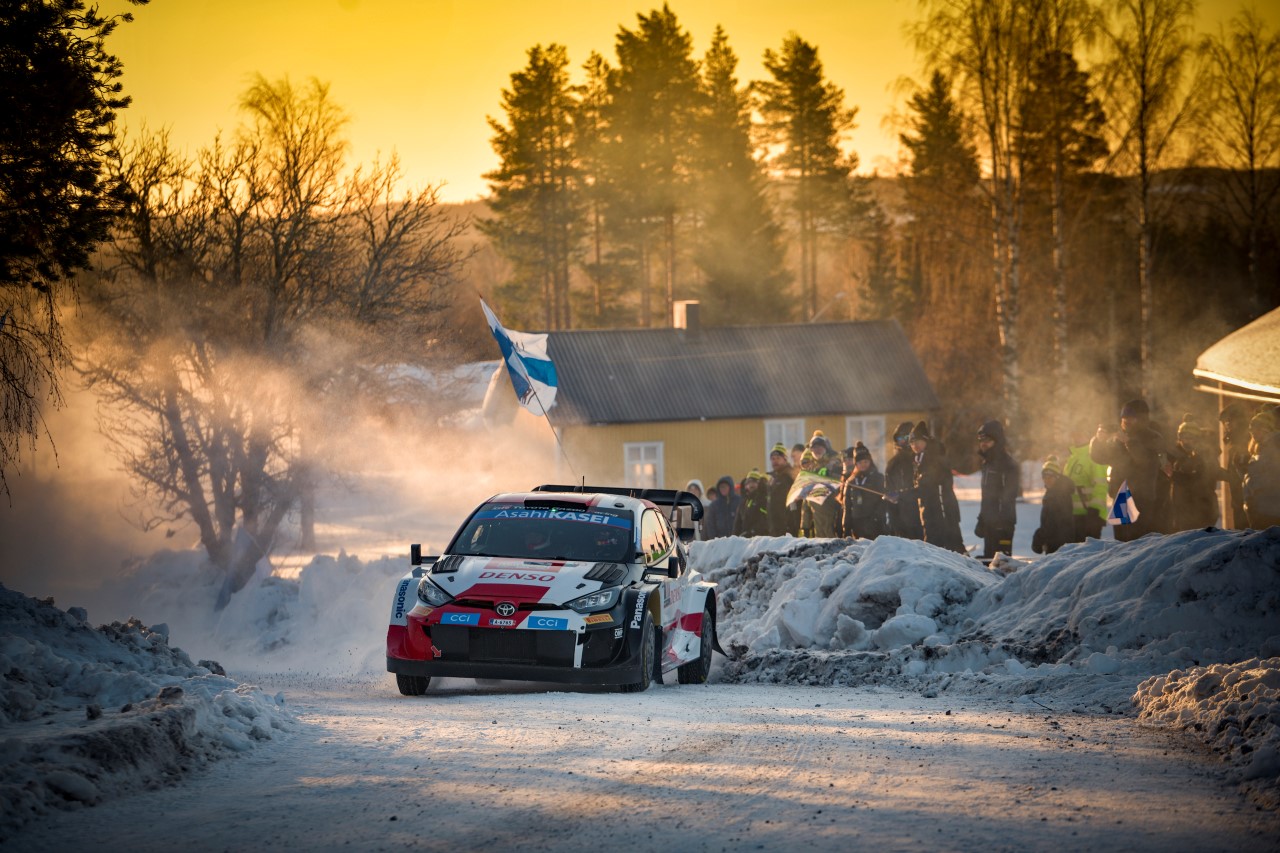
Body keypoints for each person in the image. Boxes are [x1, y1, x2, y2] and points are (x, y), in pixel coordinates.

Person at [1090, 399, 1171, 541]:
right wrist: (1098, 440)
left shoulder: (1152, 437)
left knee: (1138, 540)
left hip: (1141, 497)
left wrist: (1128, 442)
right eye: (1123, 416)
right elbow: (1099, 457)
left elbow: (1145, 462)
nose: (1125, 420)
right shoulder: (1119, 438)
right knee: (1121, 542)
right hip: (1120, 495)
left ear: (1141, 418)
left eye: (1130, 417)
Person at [908, 421, 965, 553]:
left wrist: (901, 495)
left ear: (926, 440)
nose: (914, 445)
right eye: (911, 442)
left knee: (945, 551)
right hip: (930, 514)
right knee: (937, 550)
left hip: (941, 513)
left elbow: (926, 488)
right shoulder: (920, 459)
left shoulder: (933, 458)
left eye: (918, 441)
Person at [1169, 414, 1224, 531]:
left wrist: (1172, 474)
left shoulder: (1203, 456)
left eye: (1190, 438)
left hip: (1201, 511)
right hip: (1183, 511)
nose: (1186, 441)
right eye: (1183, 437)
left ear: (1197, 439)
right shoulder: (1179, 456)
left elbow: (1197, 481)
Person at [976, 419, 1019, 559]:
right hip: (989, 523)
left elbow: (1009, 495)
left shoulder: (1008, 464)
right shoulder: (987, 464)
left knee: (1001, 565)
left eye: (987, 439)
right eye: (981, 439)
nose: (983, 443)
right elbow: (987, 497)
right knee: (989, 563)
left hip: (1002, 525)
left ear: (997, 440)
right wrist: (982, 519)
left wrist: (1003, 523)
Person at [1064, 422, 1109, 541]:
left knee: (1087, 556)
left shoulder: (1093, 456)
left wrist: (1094, 510)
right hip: (1073, 516)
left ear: (1088, 436)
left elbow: (1101, 485)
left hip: (1090, 516)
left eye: (1080, 434)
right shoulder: (1072, 458)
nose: (1076, 438)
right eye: (1074, 435)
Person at [884, 421, 923, 540]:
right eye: (900, 438)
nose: (904, 441)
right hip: (900, 515)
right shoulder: (893, 463)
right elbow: (888, 491)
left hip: (921, 513)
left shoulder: (920, 459)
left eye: (907, 438)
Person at [841, 442, 886, 540]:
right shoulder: (851, 481)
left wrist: (877, 517)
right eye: (860, 462)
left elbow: (883, 500)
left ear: (870, 461)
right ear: (856, 464)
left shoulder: (878, 478)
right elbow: (847, 506)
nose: (863, 465)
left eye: (865, 461)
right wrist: (846, 526)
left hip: (874, 522)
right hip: (856, 523)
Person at [1243, 408, 1280, 529]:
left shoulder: (1273, 446)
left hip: (1269, 510)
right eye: (1251, 429)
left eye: (1256, 428)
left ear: (1265, 429)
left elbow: (1272, 476)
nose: (1252, 432)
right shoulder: (1261, 448)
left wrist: (1254, 489)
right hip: (1261, 508)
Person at [1219, 401, 1253, 528]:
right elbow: (1233, 473)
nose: (1226, 427)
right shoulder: (1234, 442)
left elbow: (1244, 473)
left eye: (1228, 422)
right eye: (1225, 423)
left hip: (1247, 502)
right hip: (1239, 501)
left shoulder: (1244, 442)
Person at [1032, 456, 1075, 554]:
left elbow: (1053, 521)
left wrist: (1039, 536)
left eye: (1050, 476)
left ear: (1057, 477)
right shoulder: (1052, 492)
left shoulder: (1059, 494)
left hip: (1059, 544)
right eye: (1044, 476)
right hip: (1055, 542)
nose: (1047, 479)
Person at [805, 431, 843, 537]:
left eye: (820, 447)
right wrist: (805, 524)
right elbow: (806, 498)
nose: (817, 450)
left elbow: (841, 483)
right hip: (815, 515)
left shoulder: (835, 463)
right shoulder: (809, 468)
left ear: (825, 448)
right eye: (814, 448)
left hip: (831, 513)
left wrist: (830, 474)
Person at [766, 443, 799, 536]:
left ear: (785, 459)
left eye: (778, 458)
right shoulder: (772, 478)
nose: (775, 461)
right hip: (774, 527)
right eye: (773, 459)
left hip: (786, 527)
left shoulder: (790, 476)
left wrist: (791, 524)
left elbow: (794, 503)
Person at [733, 469, 770, 537]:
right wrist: (735, 537)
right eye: (749, 482)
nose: (751, 485)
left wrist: (752, 532)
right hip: (745, 539)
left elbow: (765, 519)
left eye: (754, 482)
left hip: (761, 538)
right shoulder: (744, 502)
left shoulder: (763, 499)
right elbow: (737, 523)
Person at [703, 475, 740, 539]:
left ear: (730, 487)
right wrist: (714, 540)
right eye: (721, 487)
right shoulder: (714, 505)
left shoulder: (739, 501)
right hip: (720, 542)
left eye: (725, 487)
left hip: (737, 541)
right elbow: (710, 525)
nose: (723, 489)